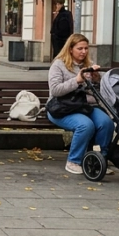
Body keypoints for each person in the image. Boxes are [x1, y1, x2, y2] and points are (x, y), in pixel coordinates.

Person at [47, 34, 113, 175]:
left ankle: (99, 160)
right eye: (80, 48)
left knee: (106, 123)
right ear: (70, 49)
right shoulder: (59, 64)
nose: (84, 52)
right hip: (61, 108)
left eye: (86, 48)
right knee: (85, 125)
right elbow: (55, 90)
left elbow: (97, 93)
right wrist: (76, 80)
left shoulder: (88, 64)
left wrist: (96, 79)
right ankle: (74, 161)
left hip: (84, 106)